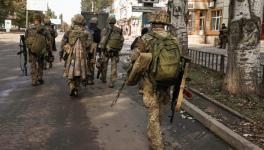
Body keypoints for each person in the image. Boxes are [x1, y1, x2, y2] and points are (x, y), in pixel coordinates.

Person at [127, 11, 181, 150]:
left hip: (151, 82)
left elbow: (134, 57)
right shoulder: (174, 39)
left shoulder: (146, 38)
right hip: (168, 80)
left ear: (152, 24)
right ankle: (152, 134)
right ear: (164, 24)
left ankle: (158, 145)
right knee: (159, 109)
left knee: (153, 112)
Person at [60, 14, 92, 96]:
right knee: (81, 71)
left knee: (69, 69)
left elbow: (63, 42)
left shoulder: (69, 31)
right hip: (82, 56)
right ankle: (76, 88)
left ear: (74, 21)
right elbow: (89, 45)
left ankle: (71, 85)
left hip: (71, 55)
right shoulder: (86, 32)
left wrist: (61, 53)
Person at [98, 16, 124, 88]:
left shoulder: (105, 29)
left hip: (106, 50)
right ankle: (112, 82)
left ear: (108, 21)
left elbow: (102, 41)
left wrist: (101, 50)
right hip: (115, 51)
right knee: (114, 67)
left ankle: (103, 78)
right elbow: (122, 40)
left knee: (104, 65)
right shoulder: (119, 30)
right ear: (115, 21)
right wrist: (118, 49)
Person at [25, 15, 49, 86]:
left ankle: (34, 81)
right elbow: (49, 38)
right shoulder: (44, 28)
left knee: (33, 65)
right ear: (40, 20)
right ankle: (40, 78)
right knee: (40, 64)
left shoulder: (29, 28)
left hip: (32, 50)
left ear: (34, 20)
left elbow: (26, 38)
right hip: (41, 50)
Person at [87, 17, 101, 85]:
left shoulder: (86, 29)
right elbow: (98, 40)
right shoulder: (98, 30)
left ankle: (87, 77)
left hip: (86, 48)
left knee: (87, 62)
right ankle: (90, 79)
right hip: (93, 48)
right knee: (91, 63)